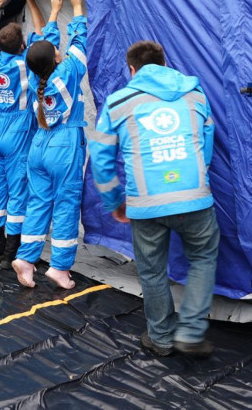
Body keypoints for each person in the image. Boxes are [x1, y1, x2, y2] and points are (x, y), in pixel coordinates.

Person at [89, 41, 219, 358]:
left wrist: (114, 202)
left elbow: (100, 156)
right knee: (202, 259)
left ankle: (160, 339)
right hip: (195, 198)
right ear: (163, 64)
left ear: (132, 70)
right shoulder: (195, 94)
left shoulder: (119, 101)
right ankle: (190, 332)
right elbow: (207, 142)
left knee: (151, 271)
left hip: (145, 203)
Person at [11, 0, 88, 290]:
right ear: (55, 56)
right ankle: (59, 268)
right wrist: (77, 5)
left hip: (39, 145)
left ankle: (26, 259)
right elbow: (80, 40)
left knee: (39, 202)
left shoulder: (34, 75)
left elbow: (40, 46)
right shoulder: (67, 72)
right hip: (65, 145)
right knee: (66, 205)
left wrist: (55, 11)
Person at [0, 0, 53, 269]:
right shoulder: (25, 63)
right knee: (17, 192)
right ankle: (12, 254)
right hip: (16, 133)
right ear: (22, 47)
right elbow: (44, 37)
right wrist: (31, 0)